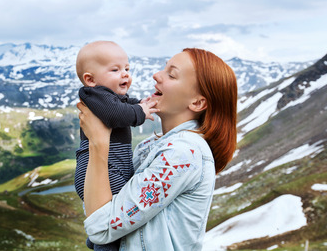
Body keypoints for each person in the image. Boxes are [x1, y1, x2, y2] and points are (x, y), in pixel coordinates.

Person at [77, 48, 237, 250]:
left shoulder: (182, 154)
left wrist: (98, 143)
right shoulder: (150, 146)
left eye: (171, 74)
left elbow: (101, 227)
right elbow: (102, 205)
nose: (156, 75)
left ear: (197, 102)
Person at [74, 41, 158, 250]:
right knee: (115, 215)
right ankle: (102, 243)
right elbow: (116, 114)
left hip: (113, 165)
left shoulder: (107, 96)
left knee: (113, 215)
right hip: (101, 168)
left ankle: (97, 241)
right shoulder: (93, 95)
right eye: (115, 69)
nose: (125, 74)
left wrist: (142, 104)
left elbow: (124, 103)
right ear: (90, 80)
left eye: (127, 69)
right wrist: (140, 112)